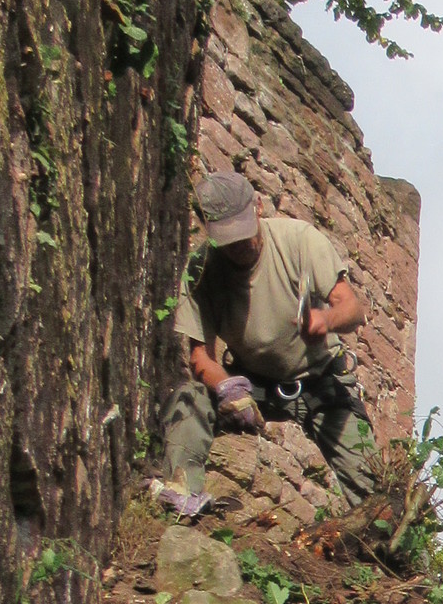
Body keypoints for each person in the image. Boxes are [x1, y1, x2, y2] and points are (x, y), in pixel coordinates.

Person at [159, 171, 382, 509]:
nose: (238, 246)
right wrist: (228, 388)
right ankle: (182, 496)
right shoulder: (201, 271)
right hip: (253, 384)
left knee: (374, 492)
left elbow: (352, 309)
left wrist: (325, 320)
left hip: (323, 382)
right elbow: (200, 357)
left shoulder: (299, 241)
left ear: (258, 207)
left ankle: (391, 538)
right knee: (190, 398)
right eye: (227, 239)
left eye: (243, 233)